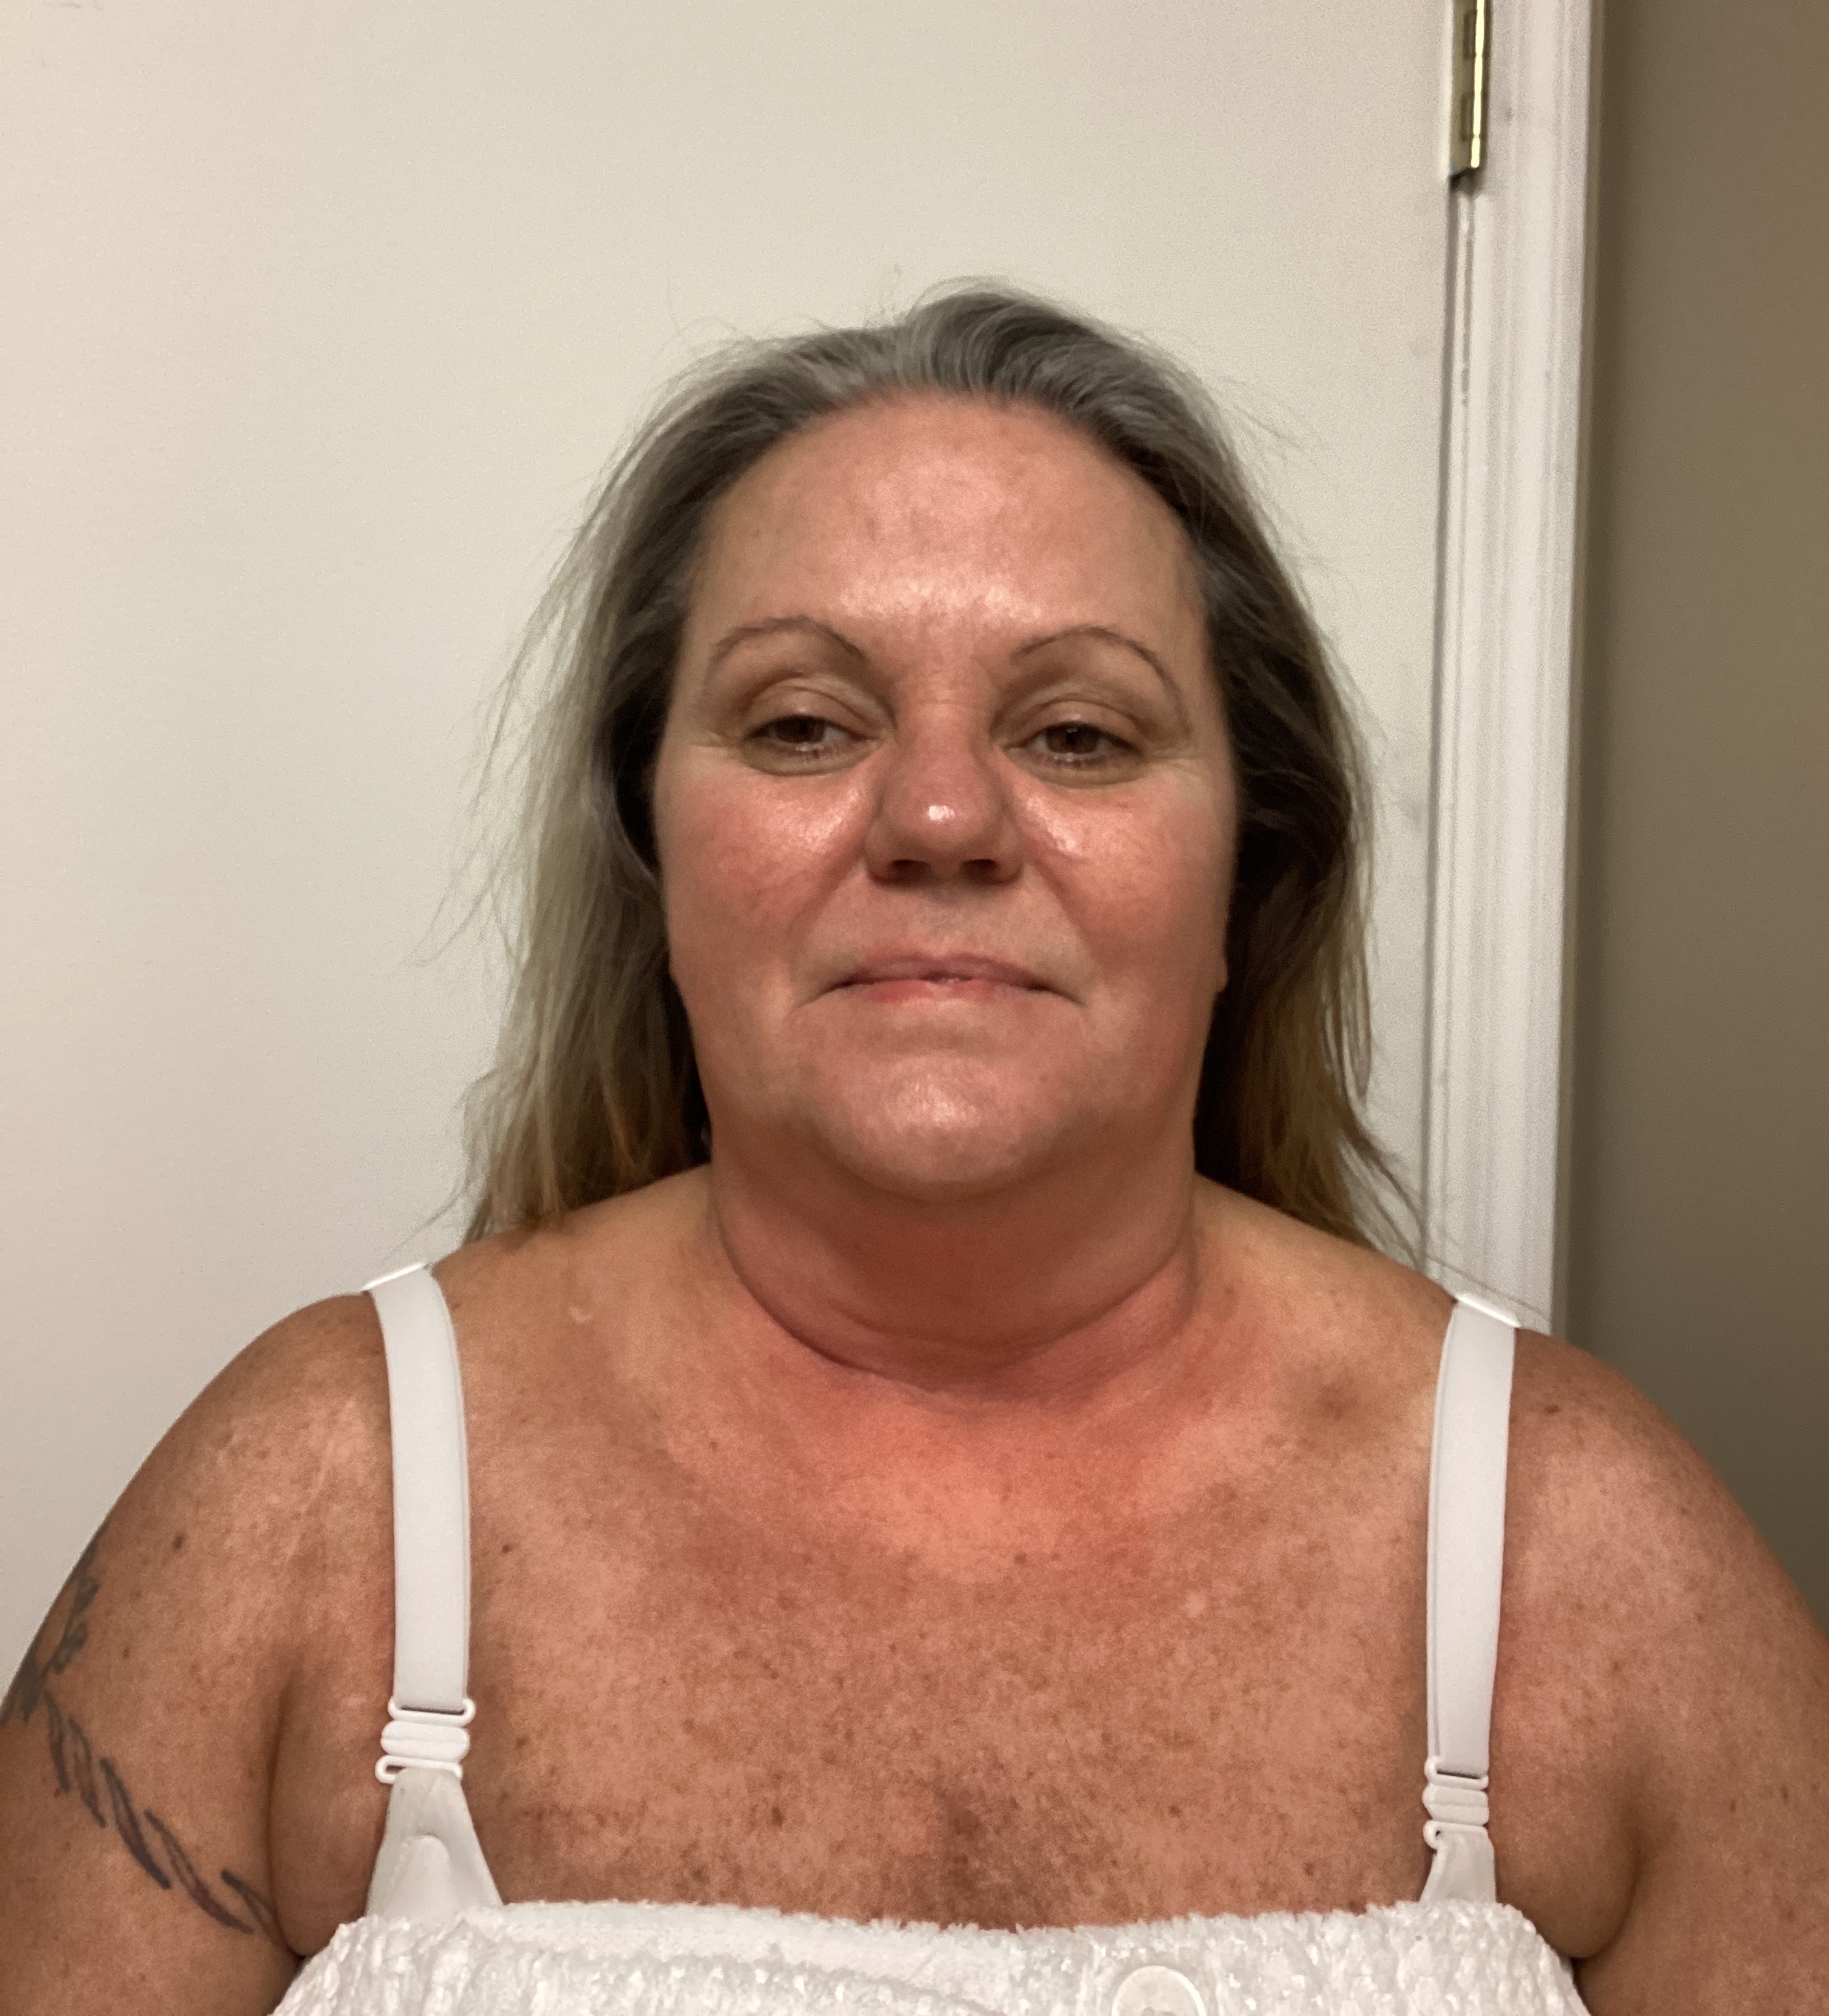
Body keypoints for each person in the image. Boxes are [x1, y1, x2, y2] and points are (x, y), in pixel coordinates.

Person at [1, 286, 1824, 2015]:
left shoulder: (1581, 1555)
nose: (943, 815)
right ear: (654, 853)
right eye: (803, 724)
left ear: (1247, 873)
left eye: (1079, 734)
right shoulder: (315, 1499)